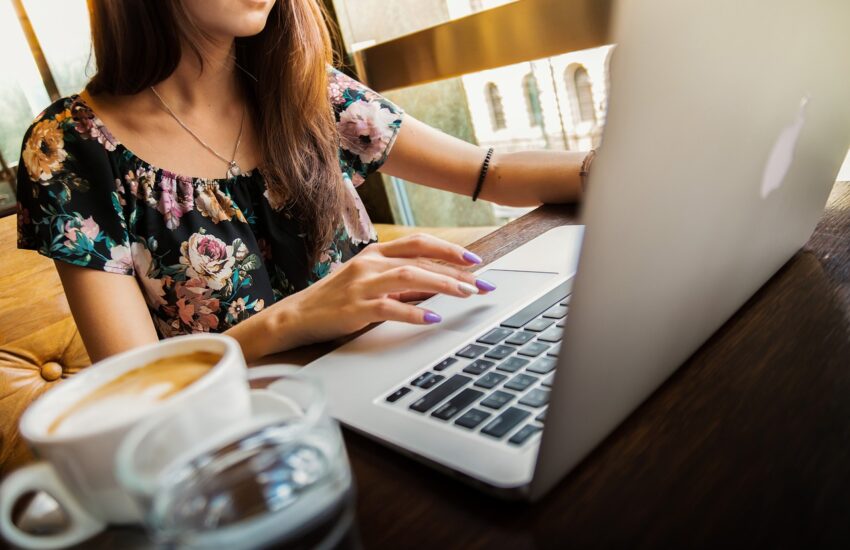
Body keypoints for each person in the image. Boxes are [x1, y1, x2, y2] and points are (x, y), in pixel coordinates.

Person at [16, 0, 589, 364]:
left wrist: (614, 164)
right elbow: (134, 385)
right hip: (248, 440)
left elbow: (488, 172)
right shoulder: (70, 148)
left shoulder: (305, 86)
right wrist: (293, 318)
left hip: (394, 367)